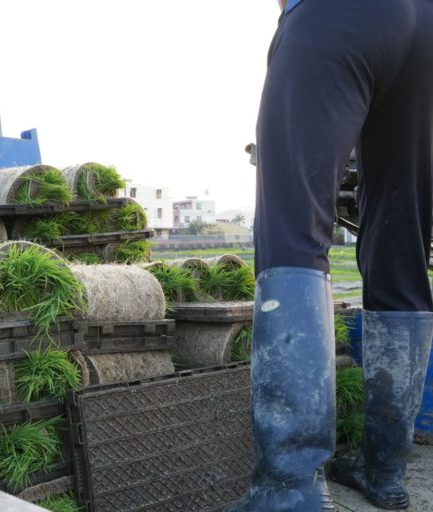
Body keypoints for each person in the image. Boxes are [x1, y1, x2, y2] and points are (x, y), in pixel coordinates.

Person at [227, 0, 433, 510]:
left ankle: (288, 490)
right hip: (425, 28)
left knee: (292, 233)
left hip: (335, 15)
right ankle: (384, 470)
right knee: (402, 248)